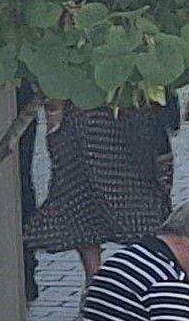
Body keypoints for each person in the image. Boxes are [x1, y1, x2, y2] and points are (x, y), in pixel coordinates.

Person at [25, 97, 178, 286]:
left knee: (141, 193)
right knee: (78, 187)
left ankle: (143, 275)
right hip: (84, 101)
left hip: (131, 98)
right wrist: (55, 107)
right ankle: (96, 282)